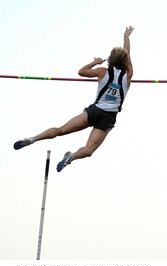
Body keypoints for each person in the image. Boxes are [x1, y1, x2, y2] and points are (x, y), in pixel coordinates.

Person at [13, 26, 134, 172]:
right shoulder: (128, 75)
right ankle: (72, 157)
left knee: (61, 130)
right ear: (125, 62)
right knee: (88, 150)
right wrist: (127, 37)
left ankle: (33, 139)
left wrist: (95, 62)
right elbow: (127, 53)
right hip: (107, 118)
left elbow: (81, 72)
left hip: (94, 111)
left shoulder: (102, 71)